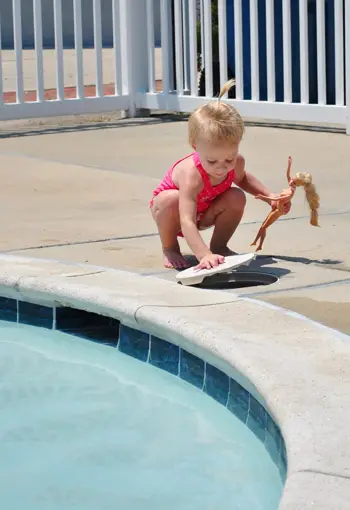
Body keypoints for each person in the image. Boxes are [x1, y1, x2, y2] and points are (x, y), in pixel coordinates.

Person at [149, 79, 291, 270]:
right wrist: (203, 255)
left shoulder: (236, 162)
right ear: (195, 146)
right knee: (169, 199)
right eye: (212, 161)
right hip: (175, 215)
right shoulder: (192, 174)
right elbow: (186, 220)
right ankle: (170, 248)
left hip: (206, 211)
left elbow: (242, 179)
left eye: (229, 159)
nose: (221, 168)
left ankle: (220, 246)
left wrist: (270, 197)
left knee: (236, 196)